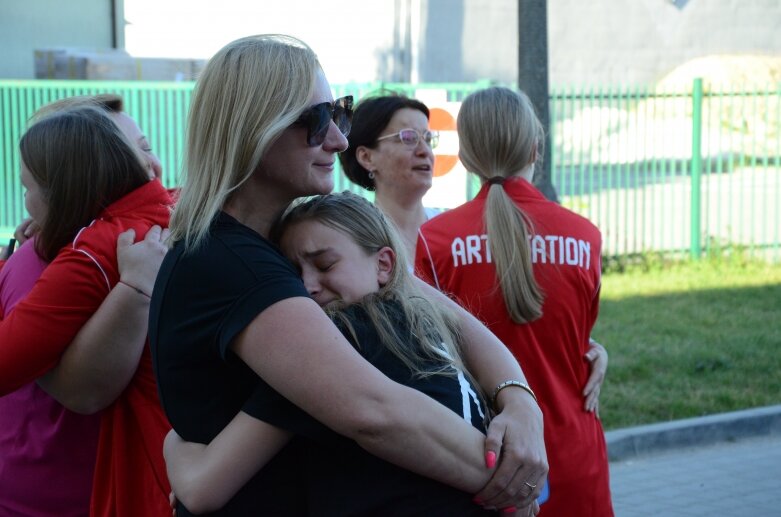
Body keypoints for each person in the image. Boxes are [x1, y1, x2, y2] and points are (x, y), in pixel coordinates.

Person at [149, 34, 546, 516]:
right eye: (319, 120)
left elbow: (444, 314)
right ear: (254, 127)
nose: (338, 139)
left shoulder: (272, 245)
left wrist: (519, 401)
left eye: (340, 114)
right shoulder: (230, 265)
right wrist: (513, 486)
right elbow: (375, 412)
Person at [164, 191, 534, 515]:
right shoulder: (424, 325)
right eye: (291, 274)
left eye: (325, 265)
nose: (308, 286)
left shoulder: (342, 336)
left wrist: (176, 440)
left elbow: (202, 488)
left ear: (384, 264)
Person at [415, 86, 614, 516]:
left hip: (490, 464)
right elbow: (578, 338)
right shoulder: (586, 236)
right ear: (535, 148)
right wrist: (596, 351)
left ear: (466, 157)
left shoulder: (434, 243)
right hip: (576, 458)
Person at [0, 105, 174, 516]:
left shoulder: (91, 253)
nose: (26, 205)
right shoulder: (176, 212)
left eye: (28, 189)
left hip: (98, 491)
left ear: (59, 192)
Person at [339, 94, 440, 262]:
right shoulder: (356, 238)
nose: (425, 151)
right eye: (408, 138)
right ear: (367, 158)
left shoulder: (451, 232)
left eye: (428, 139)